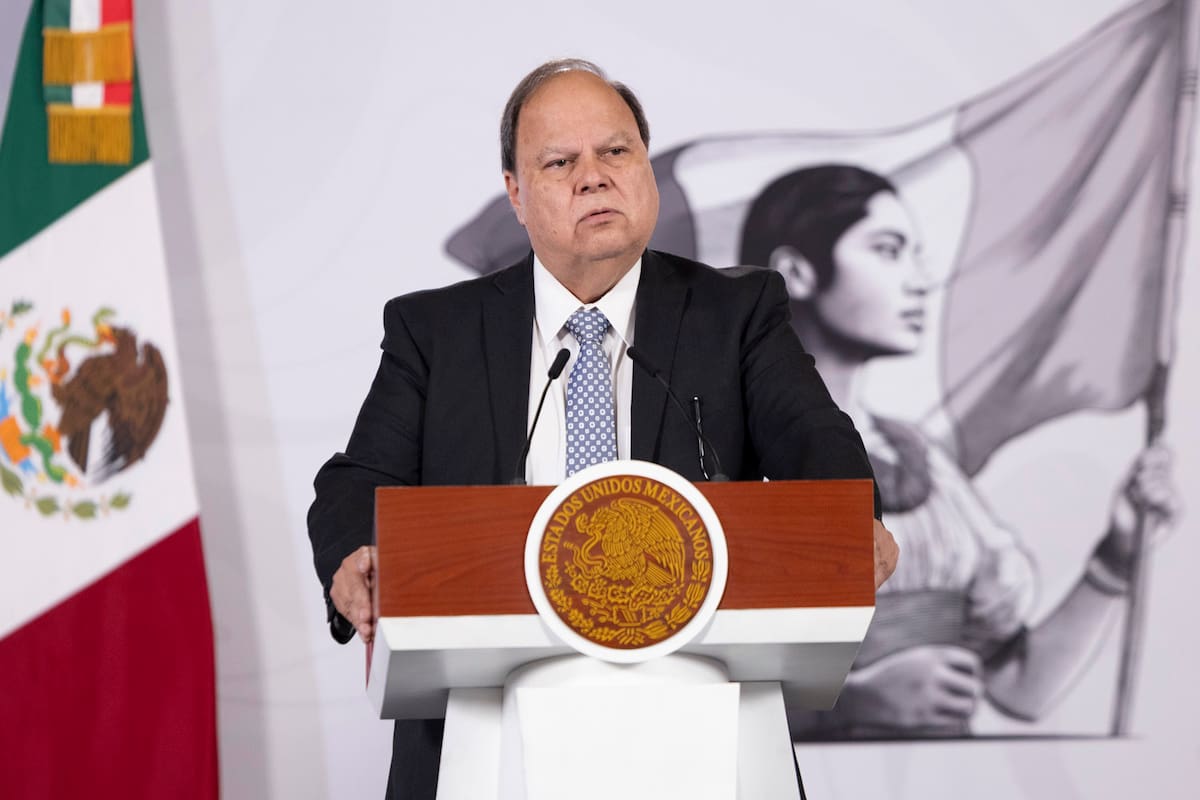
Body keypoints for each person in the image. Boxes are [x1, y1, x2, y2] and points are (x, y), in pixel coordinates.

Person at [307, 62, 899, 798]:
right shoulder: (437, 332)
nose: (594, 176)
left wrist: (852, 515)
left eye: (616, 152)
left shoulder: (736, 314)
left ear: (646, 167)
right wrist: (354, 551)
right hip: (488, 740)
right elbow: (359, 479)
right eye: (560, 162)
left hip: (703, 732)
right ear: (516, 195)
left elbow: (818, 441)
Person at [739, 164, 1177, 738]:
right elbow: (670, 695)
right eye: (888, 250)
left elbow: (1020, 688)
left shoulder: (920, 459)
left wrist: (1117, 556)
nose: (920, 280)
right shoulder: (729, 452)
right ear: (796, 272)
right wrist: (848, 705)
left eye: (916, 253)